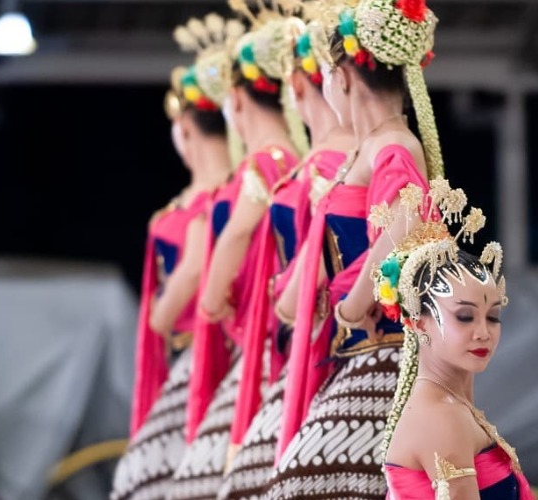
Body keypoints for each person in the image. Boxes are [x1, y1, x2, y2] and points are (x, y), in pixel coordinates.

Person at [265, 0, 444, 497]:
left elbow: (406, 219)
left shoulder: (394, 145)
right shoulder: (371, 149)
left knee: (297, 484)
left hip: (385, 350)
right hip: (355, 351)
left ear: (341, 77)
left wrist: (352, 303)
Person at [216, 10, 354, 498]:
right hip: (320, 335)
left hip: (318, 344)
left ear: (296, 86)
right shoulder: (336, 159)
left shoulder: (318, 166)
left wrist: (273, 295)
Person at [165, 8, 302, 499]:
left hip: (263, 340)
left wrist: (209, 301)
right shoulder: (291, 161)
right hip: (271, 331)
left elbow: (237, 235)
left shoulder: (266, 163)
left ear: (237, 98)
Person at [369, 180, 535, 500]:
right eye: (464, 317)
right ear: (419, 323)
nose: (483, 332)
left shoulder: (451, 406)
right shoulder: (442, 414)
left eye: (493, 316)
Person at [110, 64, 231, 500]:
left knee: (145, 479)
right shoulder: (205, 199)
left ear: (184, 127)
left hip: (210, 354)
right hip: (188, 356)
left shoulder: (218, 200)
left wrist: (160, 314)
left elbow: (193, 272)